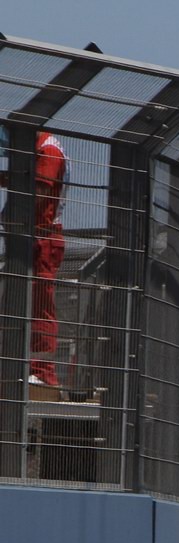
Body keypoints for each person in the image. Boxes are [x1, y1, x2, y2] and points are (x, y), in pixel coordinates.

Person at [28, 131, 67, 386]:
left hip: (43, 238)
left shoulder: (47, 150)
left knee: (39, 306)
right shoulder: (42, 148)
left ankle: (42, 373)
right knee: (21, 304)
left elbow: (39, 189)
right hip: (34, 236)